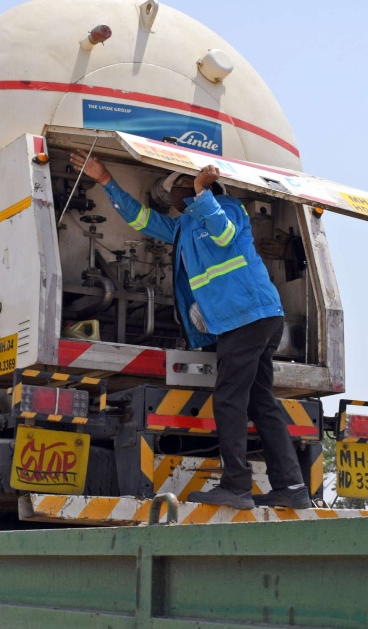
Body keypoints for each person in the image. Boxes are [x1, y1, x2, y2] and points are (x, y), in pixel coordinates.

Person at [69, 151, 310, 510]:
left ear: (202, 185)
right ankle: (292, 487)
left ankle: (236, 487)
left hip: (248, 317)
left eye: (181, 186)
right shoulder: (182, 227)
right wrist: (106, 180)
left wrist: (202, 193)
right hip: (245, 320)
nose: (175, 196)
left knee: (229, 399)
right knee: (261, 402)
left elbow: (225, 235)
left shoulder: (226, 207)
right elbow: (141, 219)